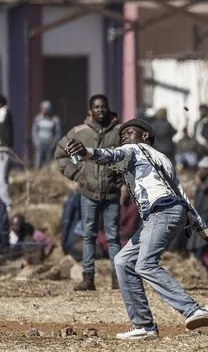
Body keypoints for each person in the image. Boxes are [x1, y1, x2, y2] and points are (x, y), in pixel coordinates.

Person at [65, 118, 208, 339]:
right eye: (122, 134)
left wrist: (85, 151)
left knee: (145, 264)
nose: (123, 136)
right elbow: (184, 199)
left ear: (144, 136)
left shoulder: (133, 149)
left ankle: (193, 309)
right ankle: (144, 326)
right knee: (123, 261)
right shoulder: (163, 160)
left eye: (129, 132)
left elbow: (110, 155)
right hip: (169, 212)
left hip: (161, 212)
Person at [55, 94, 122, 291]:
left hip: (112, 193)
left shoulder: (119, 132)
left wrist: (124, 178)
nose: (101, 110)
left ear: (108, 109)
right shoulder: (79, 132)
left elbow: (131, 156)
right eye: (97, 107)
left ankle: (117, 279)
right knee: (88, 236)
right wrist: (76, 175)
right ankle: (88, 278)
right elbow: (61, 154)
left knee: (113, 237)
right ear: (90, 111)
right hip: (88, 193)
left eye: (104, 107)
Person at [188, 156, 208, 275]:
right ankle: (202, 270)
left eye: (204, 169)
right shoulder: (201, 182)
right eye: (200, 168)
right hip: (199, 218)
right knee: (198, 246)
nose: (200, 171)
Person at [32, 100, 62, 169]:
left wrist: (54, 143)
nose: (45, 111)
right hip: (40, 143)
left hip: (50, 143)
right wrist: (36, 142)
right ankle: (37, 173)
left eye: (47, 109)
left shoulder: (54, 119)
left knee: (48, 162)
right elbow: (34, 132)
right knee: (38, 161)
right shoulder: (38, 119)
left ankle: (47, 175)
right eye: (43, 109)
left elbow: (58, 133)